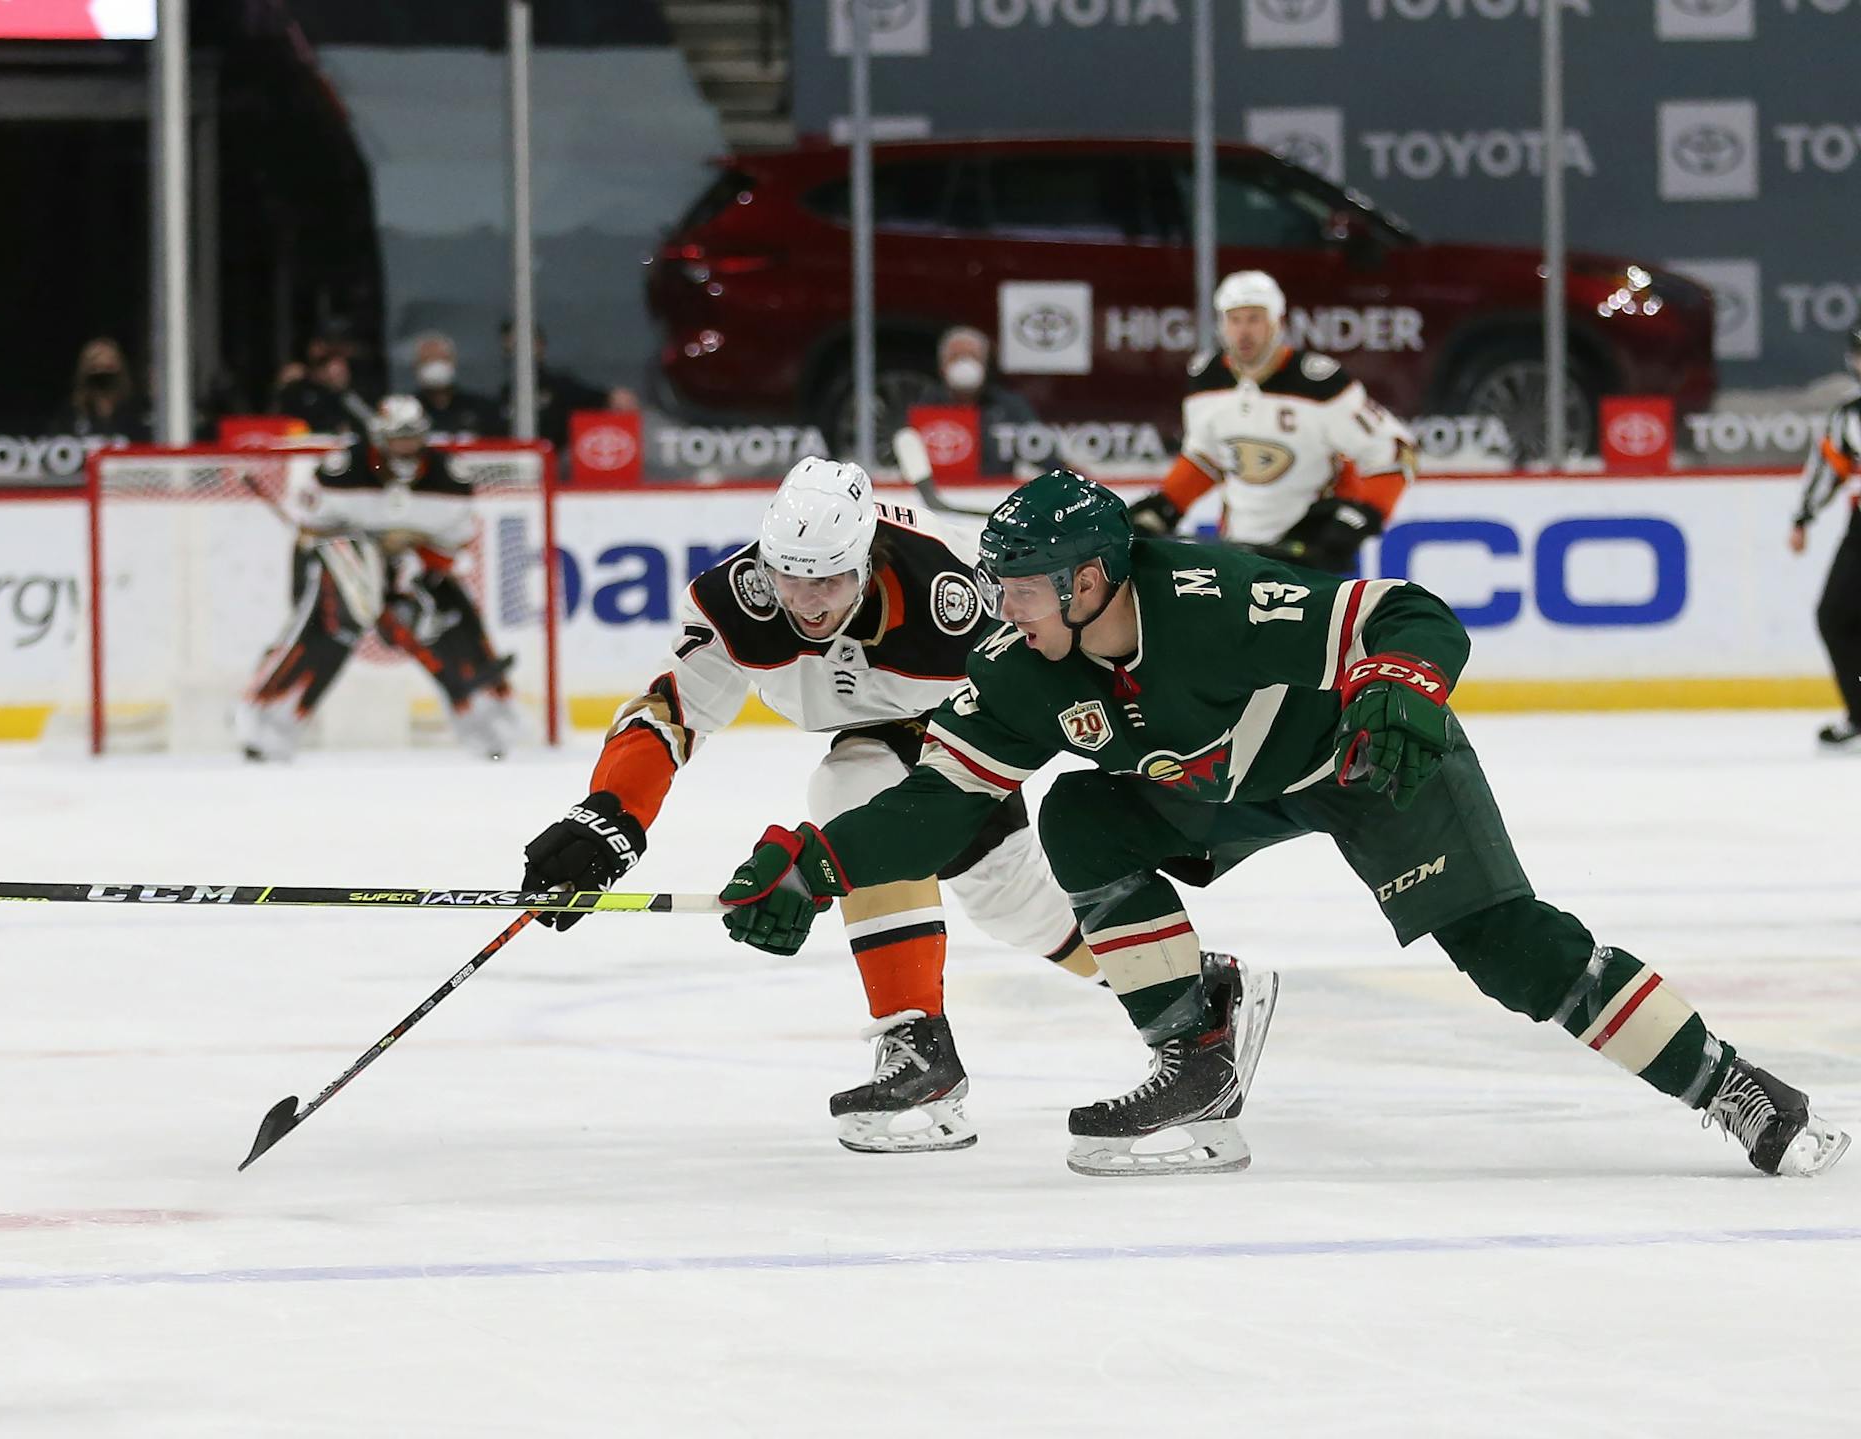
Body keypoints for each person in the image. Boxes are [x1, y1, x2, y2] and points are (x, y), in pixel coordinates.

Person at [717, 468, 1850, 1180]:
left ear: (1094, 578)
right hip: (1226, 786)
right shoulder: (1022, 665)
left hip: (1368, 759)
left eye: (1021, 587)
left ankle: (1736, 1085)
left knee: (1510, 950)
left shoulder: (1212, 599)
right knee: (1078, 813)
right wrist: (824, 862)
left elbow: (1405, 612)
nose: (999, 610)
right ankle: (1194, 1055)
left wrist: (1402, 683)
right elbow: (942, 797)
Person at [519, 457, 1101, 1153]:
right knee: (1007, 901)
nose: (809, 601)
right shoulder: (735, 597)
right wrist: (611, 815)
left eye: (829, 579)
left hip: (968, 728)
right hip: (878, 732)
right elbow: (674, 710)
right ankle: (1176, 987)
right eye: (790, 576)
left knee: (877, 806)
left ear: (866, 559)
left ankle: (936, 1044)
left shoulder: (950, 593)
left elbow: (1058, 684)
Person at [233, 395, 521, 762]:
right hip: (343, 566)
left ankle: (488, 725)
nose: (406, 446)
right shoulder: (342, 470)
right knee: (331, 628)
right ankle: (268, 724)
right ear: (379, 438)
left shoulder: (449, 477)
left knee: (451, 617)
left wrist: (410, 558)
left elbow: (453, 546)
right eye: (398, 436)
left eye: (413, 435)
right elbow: (310, 533)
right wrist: (362, 552)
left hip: (415, 564)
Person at [1130, 271, 1415, 575]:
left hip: (1307, 555)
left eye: (1254, 319)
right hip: (1237, 554)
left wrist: (1354, 521)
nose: (1244, 332)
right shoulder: (1207, 381)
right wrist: (1166, 505)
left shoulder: (1320, 385)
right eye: (1234, 319)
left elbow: (1395, 452)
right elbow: (1206, 458)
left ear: (1278, 322)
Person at [1787, 326, 1861, 752]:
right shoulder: (1849, 415)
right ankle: (1860, 713)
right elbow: (1830, 468)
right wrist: (1804, 517)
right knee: (1835, 615)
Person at [498, 321, 638, 454]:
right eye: (510, 348)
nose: (515, 353)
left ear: (539, 345)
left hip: (557, 468)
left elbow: (605, 399)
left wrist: (612, 397)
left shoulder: (560, 387)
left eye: (521, 346)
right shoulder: (505, 394)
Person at [925, 324, 1036, 433]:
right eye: (956, 357)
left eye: (972, 356)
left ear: (985, 365)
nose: (965, 364)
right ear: (942, 367)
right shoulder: (926, 405)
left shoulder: (1011, 407)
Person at [273, 335, 377, 441]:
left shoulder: (351, 394)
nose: (338, 374)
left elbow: (371, 421)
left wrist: (344, 392)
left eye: (342, 371)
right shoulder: (298, 391)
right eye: (320, 363)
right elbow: (277, 421)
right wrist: (281, 387)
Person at [408, 331, 502, 442]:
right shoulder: (408, 411)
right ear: (415, 366)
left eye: (442, 358)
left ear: (453, 362)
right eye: (427, 360)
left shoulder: (483, 408)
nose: (435, 365)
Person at [51, 338, 150, 443]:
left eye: (109, 366)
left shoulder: (137, 415)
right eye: (95, 364)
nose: (102, 369)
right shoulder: (70, 416)